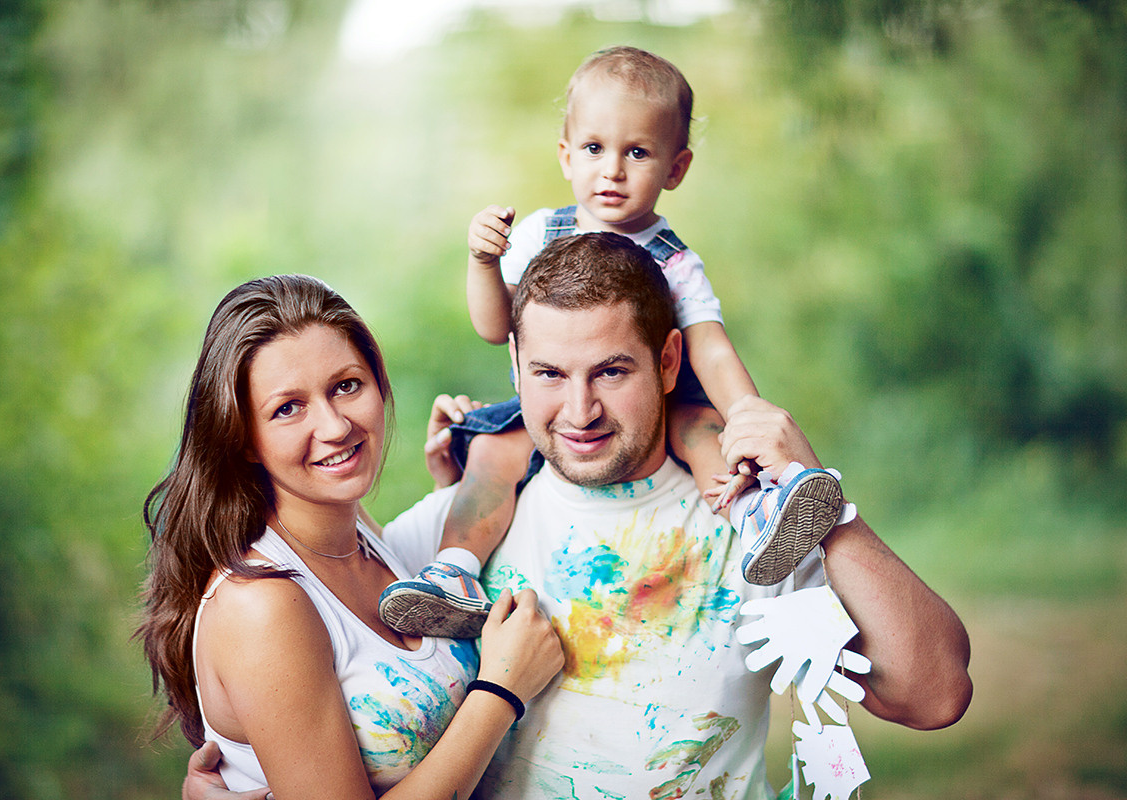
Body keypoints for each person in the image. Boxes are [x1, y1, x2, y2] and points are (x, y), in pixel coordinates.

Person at [185, 234, 972, 799]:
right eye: (550, 374)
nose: (580, 409)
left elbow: (932, 693)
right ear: (517, 371)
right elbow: (302, 706)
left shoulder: (746, 522)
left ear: (669, 364)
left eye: (613, 371)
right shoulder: (447, 539)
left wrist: (821, 498)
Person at [378, 46, 843, 638]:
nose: (613, 171)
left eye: (638, 152)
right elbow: (497, 326)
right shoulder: (540, 233)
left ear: (676, 169)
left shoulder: (673, 261)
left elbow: (710, 346)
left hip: (661, 400)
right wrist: (482, 262)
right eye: (595, 149)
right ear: (566, 155)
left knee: (703, 433)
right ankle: (454, 571)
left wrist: (746, 413)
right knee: (494, 454)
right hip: (548, 402)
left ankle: (757, 519)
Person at [138, 274, 564, 799]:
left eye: (346, 385)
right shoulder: (262, 605)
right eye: (287, 408)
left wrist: (447, 487)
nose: (336, 426)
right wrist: (502, 691)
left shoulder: (356, 532)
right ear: (243, 438)